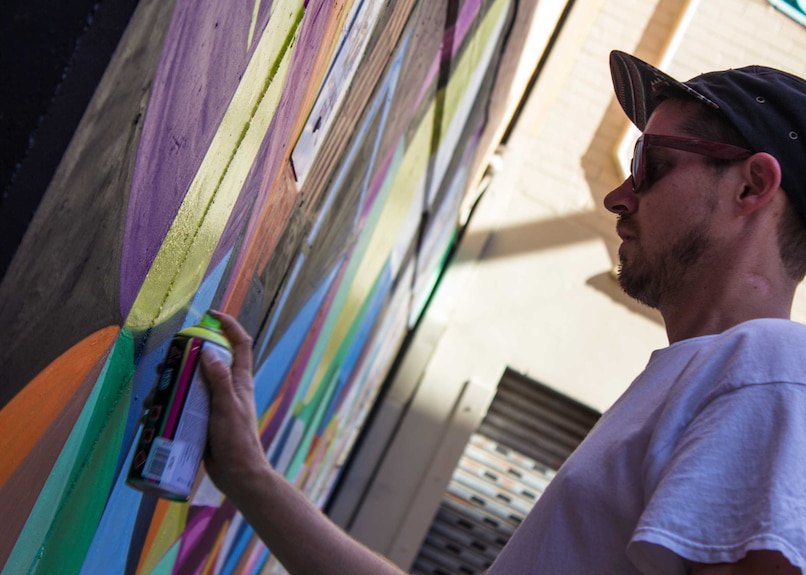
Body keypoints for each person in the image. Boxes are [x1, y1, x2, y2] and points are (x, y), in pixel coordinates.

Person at [198, 50, 806, 574]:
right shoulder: (714, 379)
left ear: (751, 187)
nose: (618, 196)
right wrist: (249, 474)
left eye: (650, 165)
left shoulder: (768, 371)